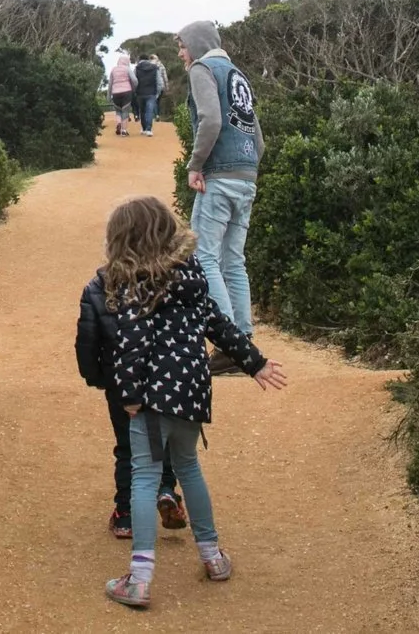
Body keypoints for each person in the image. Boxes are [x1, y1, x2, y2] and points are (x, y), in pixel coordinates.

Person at [97, 195, 286, 609]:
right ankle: (213, 557)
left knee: (145, 478)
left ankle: (140, 579)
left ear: (124, 240)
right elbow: (218, 323)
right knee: (187, 467)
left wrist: (129, 395)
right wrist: (254, 362)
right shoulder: (193, 272)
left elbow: (131, 344)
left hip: (152, 397)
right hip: (193, 389)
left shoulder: (136, 280)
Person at [75, 252, 187, 540]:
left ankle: (125, 514)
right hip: (162, 378)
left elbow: (87, 340)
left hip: (120, 383)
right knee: (159, 441)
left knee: (127, 446)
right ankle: (165, 490)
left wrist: (96, 377)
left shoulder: (98, 287)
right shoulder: (164, 280)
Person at [179, 20, 265, 331]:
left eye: (183, 45)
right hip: (247, 177)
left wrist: (195, 164)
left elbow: (211, 120)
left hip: (219, 178)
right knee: (234, 262)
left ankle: (229, 340)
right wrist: (246, 170)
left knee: (204, 257)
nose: (180, 53)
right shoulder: (237, 75)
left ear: (197, 45)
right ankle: (243, 338)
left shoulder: (203, 69)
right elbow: (259, 141)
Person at [131, 51, 164, 135]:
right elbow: (160, 82)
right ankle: (149, 129)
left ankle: (144, 128)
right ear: (148, 59)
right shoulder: (155, 67)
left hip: (140, 93)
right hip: (151, 92)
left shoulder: (137, 68)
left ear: (140, 60)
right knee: (149, 111)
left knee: (142, 111)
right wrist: (157, 93)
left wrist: (134, 91)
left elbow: (134, 81)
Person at [107, 50, 135, 135]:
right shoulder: (127, 69)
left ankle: (119, 123)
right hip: (127, 92)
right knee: (125, 111)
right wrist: (133, 88)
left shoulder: (113, 70)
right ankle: (124, 131)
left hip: (115, 93)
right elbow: (134, 80)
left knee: (118, 110)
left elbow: (110, 83)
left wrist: (108, 95)